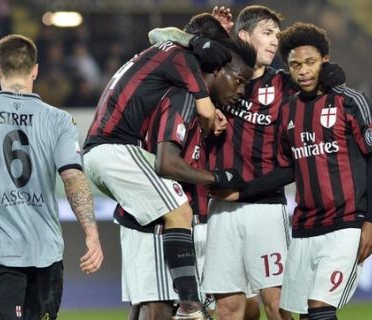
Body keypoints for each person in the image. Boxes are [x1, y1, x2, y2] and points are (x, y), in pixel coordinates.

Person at [149, 6, 346, 320]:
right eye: (267, 33)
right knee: (227, 309)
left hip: (266, 209)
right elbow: (161, 38)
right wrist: (206, 37)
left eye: (276, 36)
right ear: (243, 36)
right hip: (220, 211)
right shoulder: (216, 75)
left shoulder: (285, 84)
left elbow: (323, 85)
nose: (274, 42)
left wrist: (332, 75)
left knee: (277, 305)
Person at [82, 26, 251, 319]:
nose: (241, 90)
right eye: (235, 78)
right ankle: (190, 306)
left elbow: (158, 32)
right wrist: (218, 177)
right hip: (117, 149)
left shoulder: (162, 51)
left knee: (144, 303)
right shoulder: (184, 70)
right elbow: (200, 118)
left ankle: (189, 305)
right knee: (179, 213)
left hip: (105, 152)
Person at [0, 34, 103, 320]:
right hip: (46, 256)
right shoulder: (58, 120)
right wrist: (92, 234)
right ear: (35, 69)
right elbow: (73, 177)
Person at [276, 22, 372, 320]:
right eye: (295, 65)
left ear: (325, 60)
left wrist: (371, 221)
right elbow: (289, 168)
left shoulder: (352, 101)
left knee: (321, 308)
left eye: (310, 62)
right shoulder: (287, 111)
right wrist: (241, 190)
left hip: (346, 224)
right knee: (304, 313)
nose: (303, 71)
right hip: (304, 227)